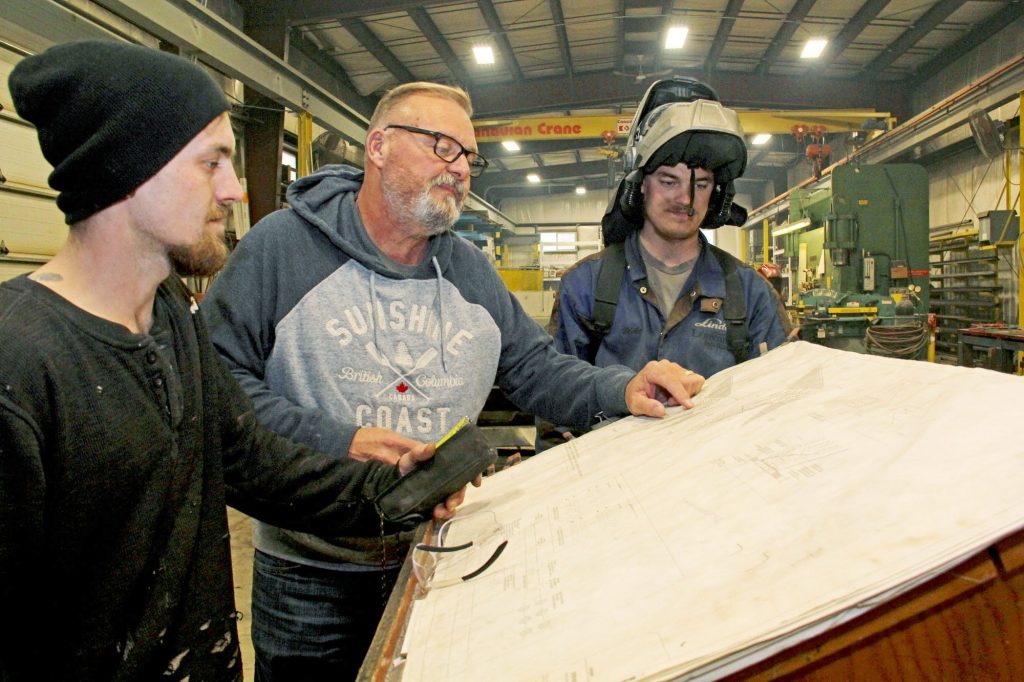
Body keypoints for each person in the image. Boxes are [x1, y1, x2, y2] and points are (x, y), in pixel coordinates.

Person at [201, 81, 705, 681]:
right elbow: (216, 384)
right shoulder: (279, 250)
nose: (460, 169)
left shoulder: (469, 270)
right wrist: (340, 441)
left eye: (469, 156)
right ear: (380, 145)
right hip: (312, 571)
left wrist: (620, 390)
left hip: (439, 557)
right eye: (442, 146)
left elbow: (534, 369)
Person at [0, 41, 461, 682]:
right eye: (211, 163)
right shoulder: (19, 362)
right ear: (128, 171)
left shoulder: (170, 319)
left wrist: (401, 491)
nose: (235, 189)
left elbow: (251, 461)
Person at [543, 85, 791, 445]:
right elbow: (555, 401)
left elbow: (780, 404)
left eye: (701, 183)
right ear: (640, 185)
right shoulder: (586, 285)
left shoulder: (750, 292)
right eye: (668, 180)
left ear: (716, 194)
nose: (685, 198)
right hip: (610, 484)